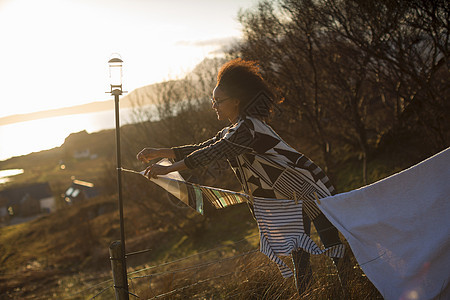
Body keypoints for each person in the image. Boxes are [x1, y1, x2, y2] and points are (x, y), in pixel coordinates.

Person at [137, 58, 348, 294]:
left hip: (309, 188)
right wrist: (160, 152)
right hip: (290, 197)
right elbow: (202, 146)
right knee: (300, 255)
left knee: (333, 246)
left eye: (218, 101)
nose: (214, 106)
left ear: (236, 101)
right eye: (212, 100)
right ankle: (312, 295)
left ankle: (351, 290)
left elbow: (213, 153)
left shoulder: (247, 129)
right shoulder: (234, 129)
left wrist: (167, 169)